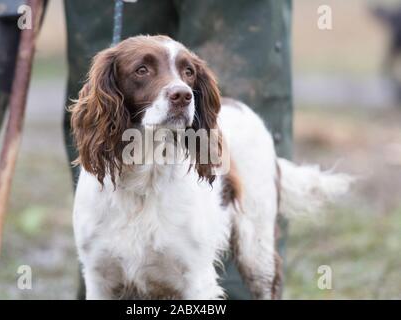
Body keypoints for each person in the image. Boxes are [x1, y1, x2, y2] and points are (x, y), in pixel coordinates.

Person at [63, 0, 293, 299]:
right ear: (114, 91)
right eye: (143, 70)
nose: (179, 89)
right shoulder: (91, 200)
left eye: (186, 74)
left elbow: (198, 289)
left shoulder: (237, 136)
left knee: (257, 270)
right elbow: (100, 286)